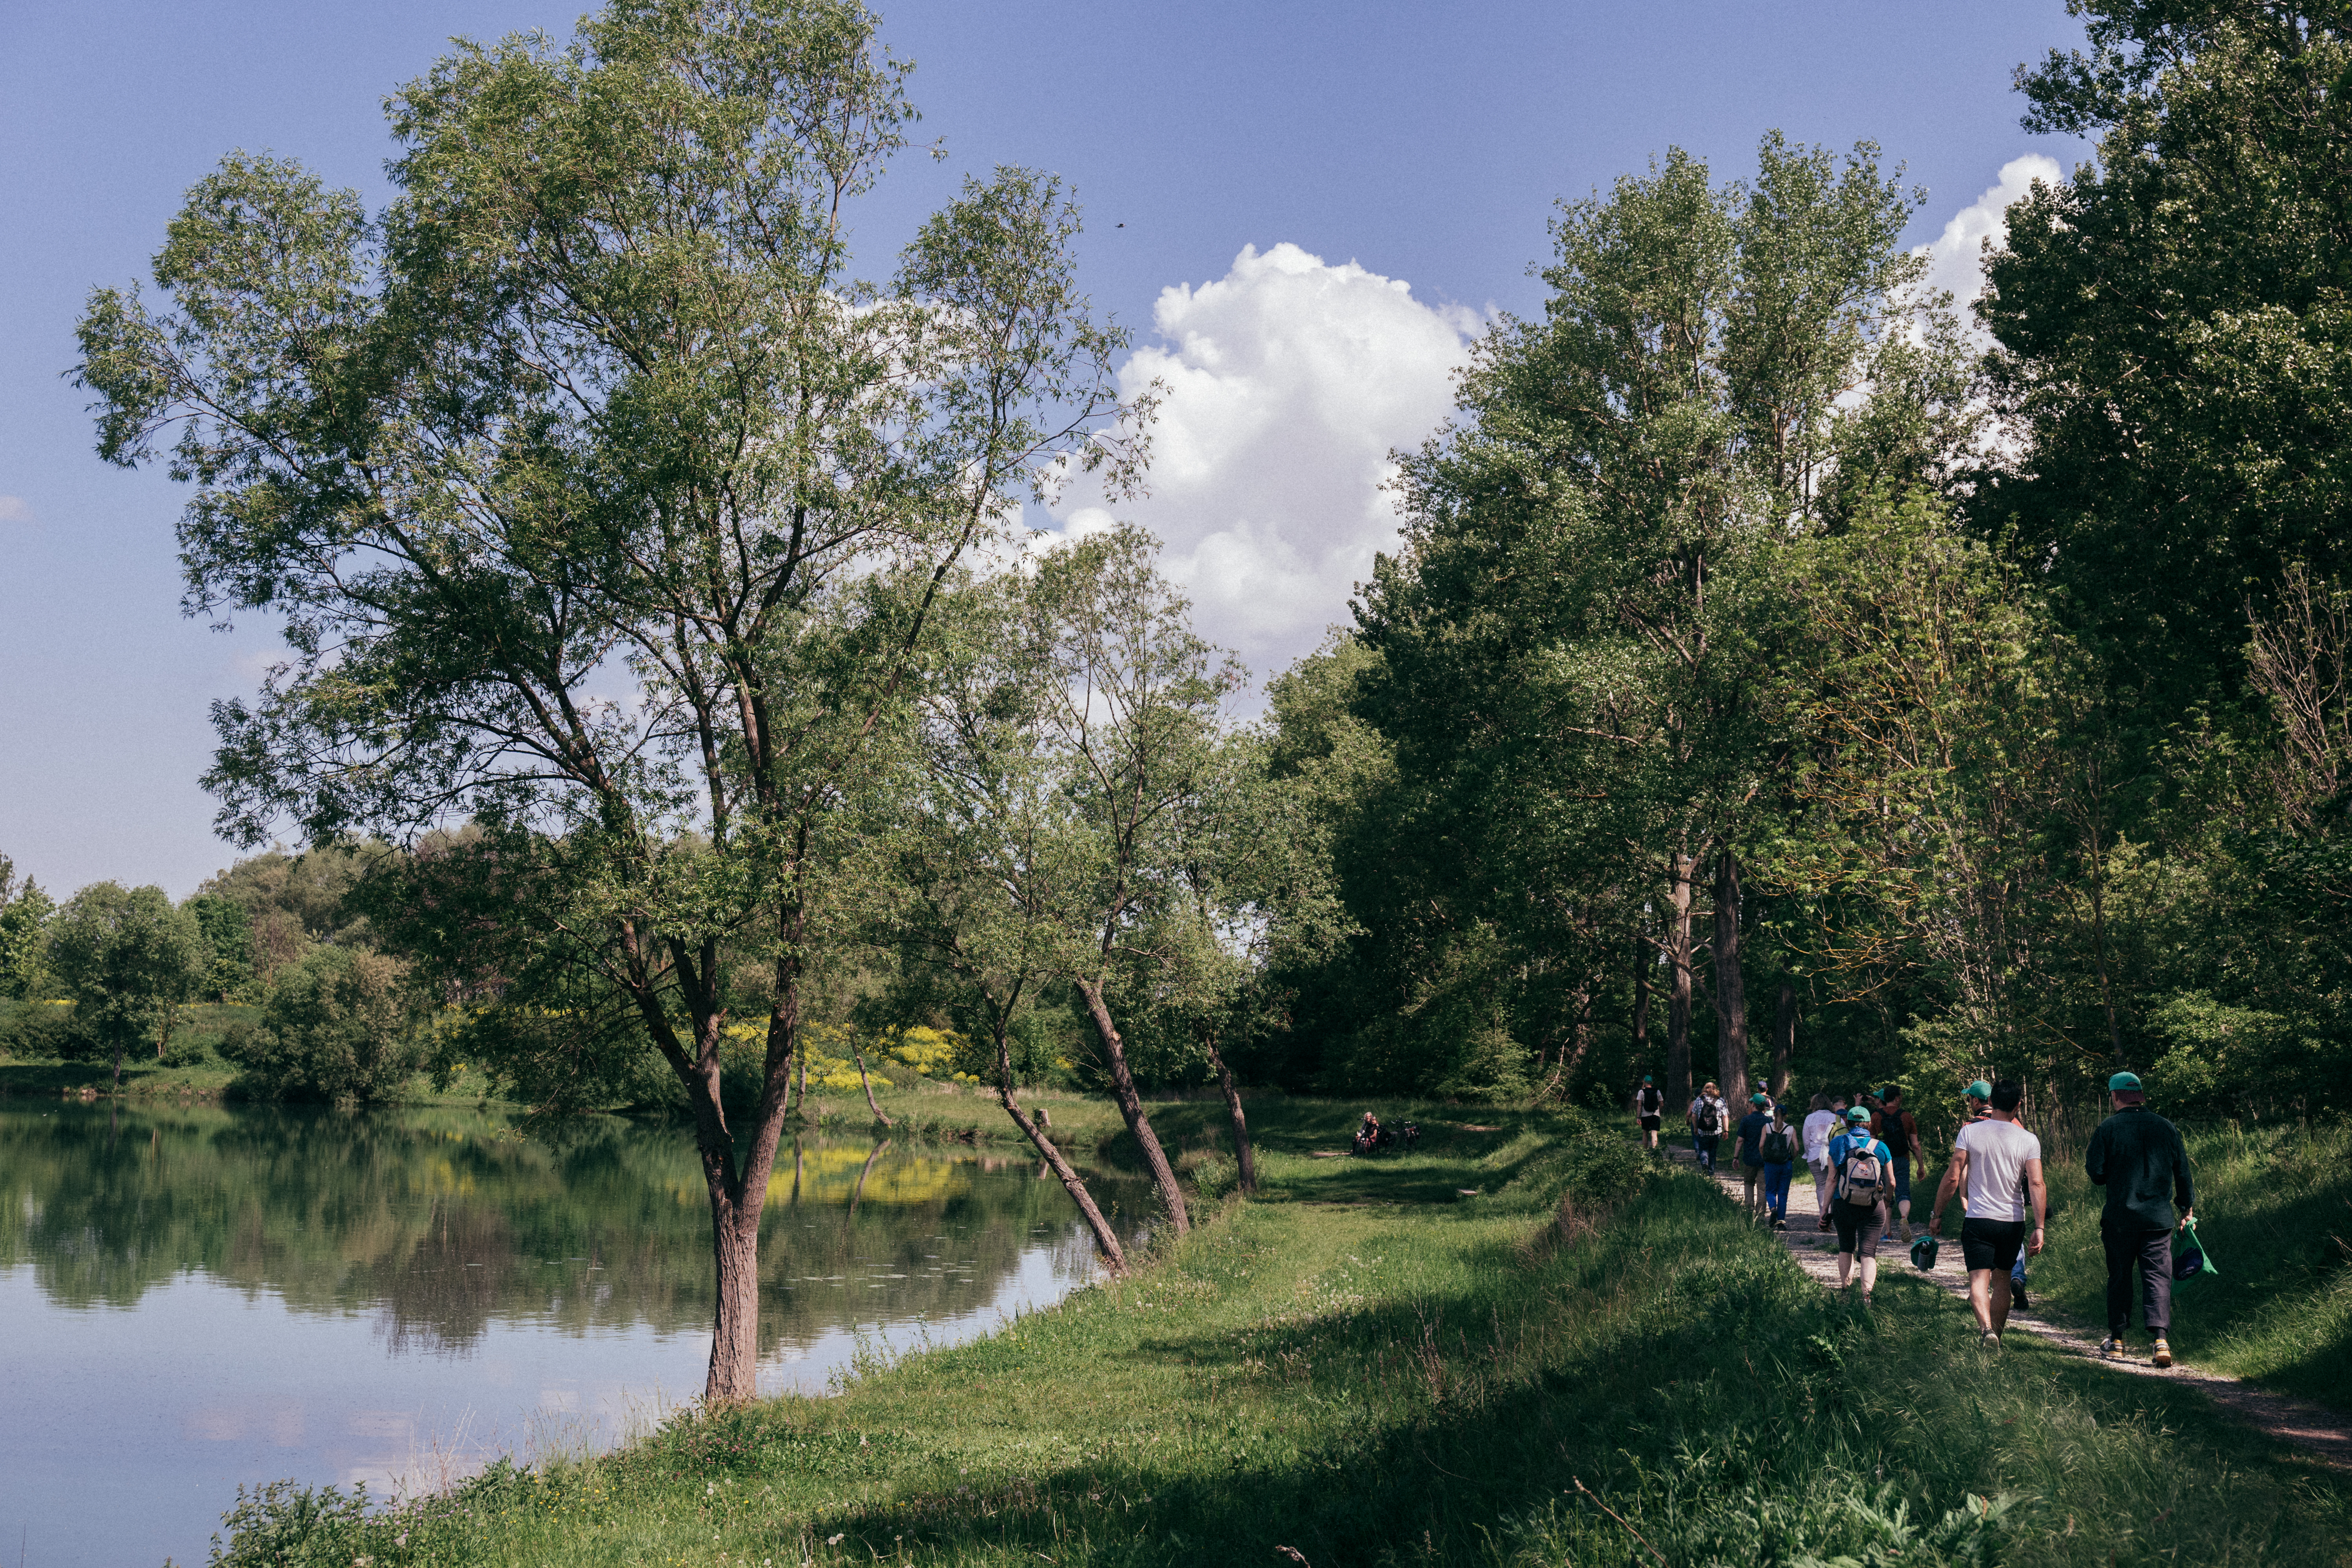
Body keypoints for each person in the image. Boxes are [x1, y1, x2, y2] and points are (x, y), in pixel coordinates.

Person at [1925, 1079, 2045, 1347]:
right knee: (2003, 1282)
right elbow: (2037, 1183)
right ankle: (1997, 1339)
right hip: (2012, 1222)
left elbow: (1953, 1177)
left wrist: (1937, 1214)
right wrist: (2039, 1227)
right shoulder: (2028, 1139)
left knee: (1979, 1280)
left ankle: (1986, 1331)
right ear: (2018, 1105)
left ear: (1991, 1101)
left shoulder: (1970, 1132)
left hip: (1979, 1219)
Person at [2087, 1070, 2193, 1367]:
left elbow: (2096, 1173)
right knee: (2157, 1277)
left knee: (2120, 1277)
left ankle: (2117, 1341)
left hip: (2120, 1219)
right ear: (2141, 1095)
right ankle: (2160, 1341)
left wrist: (2116, 1172)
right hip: (2158, 1220)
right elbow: (2183, 1171)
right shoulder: (2167, 1127)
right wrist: (2186, 1207)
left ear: (2115, 1096)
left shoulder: (2107, 1129)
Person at [1827, 1105, 1891, 1305]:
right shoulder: (1881, 1147)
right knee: (1868, 1252)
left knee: (1846, 1248)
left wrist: (1825, 1210)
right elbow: (1892, 1181)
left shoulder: (1838, 1143)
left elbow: (1831, 1180)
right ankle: (1867, 1297)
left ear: (1848, 1122)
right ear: (1869, 1124)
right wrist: (1887, 1200)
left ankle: (1846, 1292)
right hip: (1873, 1206)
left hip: (1843, 1202)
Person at [1872, 1085, 1922, 1243]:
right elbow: (1915, 1145)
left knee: (1885, 1194)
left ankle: (1888, 1233)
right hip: (1902, 1158)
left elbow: (1871, 1143)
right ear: (1897, 1098)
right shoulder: (1906, 1116)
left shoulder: (1876, 1116)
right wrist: (1921, 1166)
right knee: (1904, 1193)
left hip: (1882, 1160)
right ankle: (1904, 1217)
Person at [1801, 1093, 1840, 1232]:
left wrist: (1809, 1153)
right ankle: (1836, 1218)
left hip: (1815, 1155)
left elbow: (1806, 1140)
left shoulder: (1810, 1118)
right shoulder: (1836, 1118)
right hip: (1833, 1155)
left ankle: (1824, 1219)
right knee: (1835, 1185)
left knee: (1821, 1187)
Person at [1759, 1102, 1798, 1230]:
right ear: (1786, 1116)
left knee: (1770, 1191)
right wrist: (1791, 1159)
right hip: (1785, 1163)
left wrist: (1765, 1157)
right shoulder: (1790, 1129)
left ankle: (1773, 1209)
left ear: (1774, 1114)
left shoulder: (1767, 1127)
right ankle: (1781, 1222)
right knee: (1783, 1194)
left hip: (1771, 1163)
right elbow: (1797, 1148)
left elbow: (1761, 1146)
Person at [1735, 1092, 1773, 1218]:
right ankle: (1760, 1215)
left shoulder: (1746, 1120)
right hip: (1765, 1159)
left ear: (1753, 1105)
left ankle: (1749, 1210)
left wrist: (1736, 1157)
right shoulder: (1769, 1120)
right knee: (1763, 1188)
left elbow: (1740, 1140)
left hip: (1749, 1158)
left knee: (1749, 1183)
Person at [1688, 1081, 1729, 1173]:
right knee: (1713, 1151)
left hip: (1703, 1131)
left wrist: (1696, 1128)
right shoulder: (1720, 1101)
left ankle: (1704, 1163)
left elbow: (1694, 1115)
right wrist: (1726, 1131)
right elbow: (1725, 1116)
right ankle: (1711, 1172)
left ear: (1705, 1089)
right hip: (1716, 1131)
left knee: (1703, 1149)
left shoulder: (1699, 1100)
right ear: (1715, 1089)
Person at [1635, 1075, 1665, 1151]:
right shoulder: (1657, 1091)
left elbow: (1639, 1105)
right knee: (1654, 1133)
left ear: (1644, 1082)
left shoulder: (1641, 1092)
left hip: (1645, 1115)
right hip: (1656, 1115)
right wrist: (1659, 1112)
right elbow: (1662, 1104)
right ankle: (1655, 1150)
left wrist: (1638, 1117)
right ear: (1652, 1082)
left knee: (1645, 1133)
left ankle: (1645, 1151)